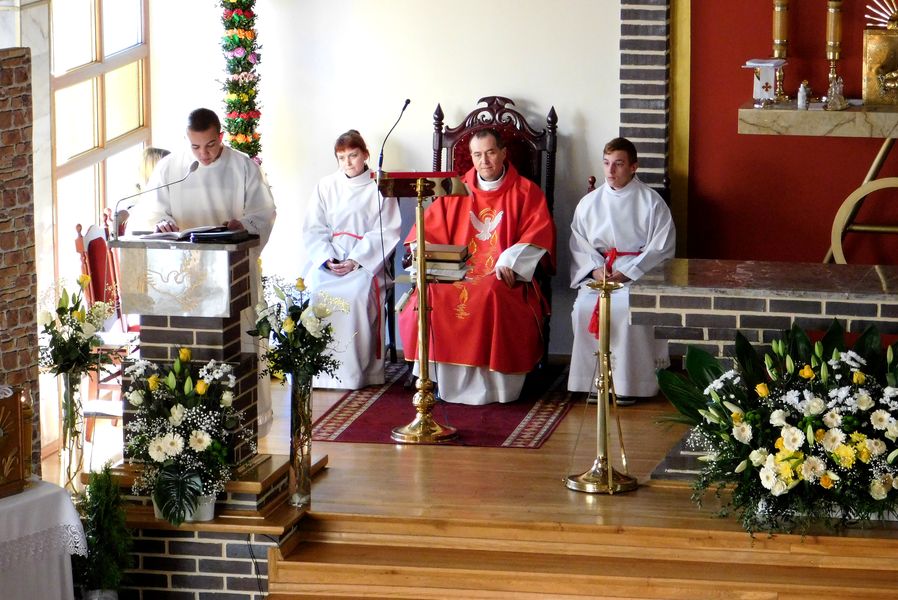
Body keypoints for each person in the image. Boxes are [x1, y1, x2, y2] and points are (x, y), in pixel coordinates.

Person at [130, 107, 277, 433]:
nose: (204, 154)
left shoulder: (242, 167)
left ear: (221, 136)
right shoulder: (172, 168)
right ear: (187, 140)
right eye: (195, 146)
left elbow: (264, 214)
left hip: (231, 273)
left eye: (210, 145)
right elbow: (148, 212)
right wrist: (161, 223)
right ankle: (188, 424)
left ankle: (243, 424)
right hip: (181, 279)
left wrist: (244, 225)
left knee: (238, 347)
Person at [398, 128, 556, 405]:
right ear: (470, 157)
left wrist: (510, 261)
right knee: (431, 293)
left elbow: (537, 234)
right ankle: (437, 381)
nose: (484, 161)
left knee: (491, 293)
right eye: (477, 154)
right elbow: (428, 230)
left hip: (501, 273)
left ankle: (495, 388)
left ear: (504, 153)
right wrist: (423, 251)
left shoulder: (525, 192)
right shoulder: (455, 190)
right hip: (456, 270)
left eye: (491, 152)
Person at [568, 137, 675, 404]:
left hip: (637, 277)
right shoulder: (589, 203)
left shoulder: (651, 202)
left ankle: (629, 385)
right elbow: (579, 243)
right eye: (606, 163)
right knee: (583, 309)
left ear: (633, 167)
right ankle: (593, 383)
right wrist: (595, 270)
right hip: (601, 274)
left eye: (618, 164)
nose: (610, 171)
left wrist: (629, 272)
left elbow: (661, 247)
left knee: (625, 310)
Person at [301, 130, 401, 389]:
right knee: (315, 291)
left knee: (356, 295)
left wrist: (356, 260)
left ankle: (355, 373)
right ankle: (319, 372)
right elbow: (313, 228)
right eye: (341, 157)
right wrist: (327, 258)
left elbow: (386, 230)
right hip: (332, 257)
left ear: (365, 154)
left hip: (366, 260)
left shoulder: (380, 185)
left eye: (353, 155)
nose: (348, 162)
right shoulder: (326, 185)